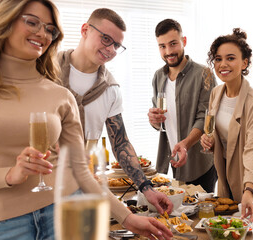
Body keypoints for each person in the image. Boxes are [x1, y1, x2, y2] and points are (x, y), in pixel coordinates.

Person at [0, 1, 173, 239]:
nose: (41, 33)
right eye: (32, 22)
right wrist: (8, 175)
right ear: (85, 30)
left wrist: (137, 203)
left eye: (49, 28)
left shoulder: (74, 93)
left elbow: (102, 154)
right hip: (5, 221)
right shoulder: (54, 71)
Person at [58, 8, 173, 214]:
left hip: (84, 185)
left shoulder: (110, 89)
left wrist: (146, 188)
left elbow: (120, 142)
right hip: (41, 182)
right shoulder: (47, 70)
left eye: (117, 45)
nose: (111, 49)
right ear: (85, 29)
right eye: (105, 39)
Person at [200, 28, 253, 222]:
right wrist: (208, 140)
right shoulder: (216, 93)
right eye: (218, 59)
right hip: (226, 173)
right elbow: (212, 129)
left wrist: (250, 189)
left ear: (244, 63)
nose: (223, 64)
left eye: (230, 58)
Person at [147, 19, 217, 193]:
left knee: (201, 213)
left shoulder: (204, 74)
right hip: (174, 160)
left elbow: (206, 118)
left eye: (173, 44)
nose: (168, 51)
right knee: (178, 213)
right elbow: (160, 123)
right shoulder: (158, 76)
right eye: (162, 46)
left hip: (200, 163)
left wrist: (185, 144)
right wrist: (154, 120)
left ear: (183, 41)